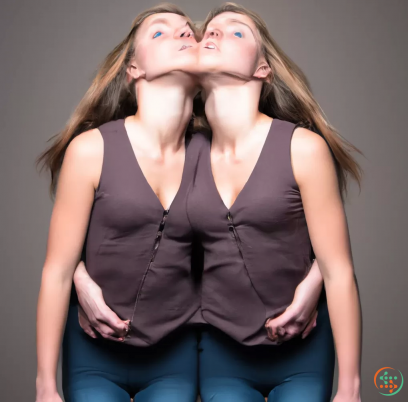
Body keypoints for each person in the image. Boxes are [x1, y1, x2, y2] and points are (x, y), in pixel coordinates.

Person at [187, 3, 362, 402]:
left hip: (303, 350)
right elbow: (124, 230)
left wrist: (349, 390)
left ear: (263, 68)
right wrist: (77, 275)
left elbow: (339, 271)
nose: (214, 34)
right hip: (218, 350)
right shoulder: (180, 153)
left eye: (235, 32)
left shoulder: (303, 148)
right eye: (209, 32)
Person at [35, 4, 204, 402]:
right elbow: (56, 270)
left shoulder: (216, 155)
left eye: (188, 32)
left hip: (178, 354)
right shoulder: (91, 150)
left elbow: (272, 229)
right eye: (160, 33)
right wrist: (45, 386)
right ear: (133, 70)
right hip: (94, 356)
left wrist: (319, 272)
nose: (182, 34)